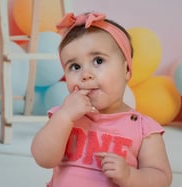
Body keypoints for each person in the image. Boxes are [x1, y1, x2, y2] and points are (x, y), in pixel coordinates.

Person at [31, 12, 172, 187]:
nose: (85, 75)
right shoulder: (64, 117)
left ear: (126, 70)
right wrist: (64, 117)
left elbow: (161, 178)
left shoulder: (143, 129)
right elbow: (43, 158)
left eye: (98, 61)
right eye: (75, 66)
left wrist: (130, 177)